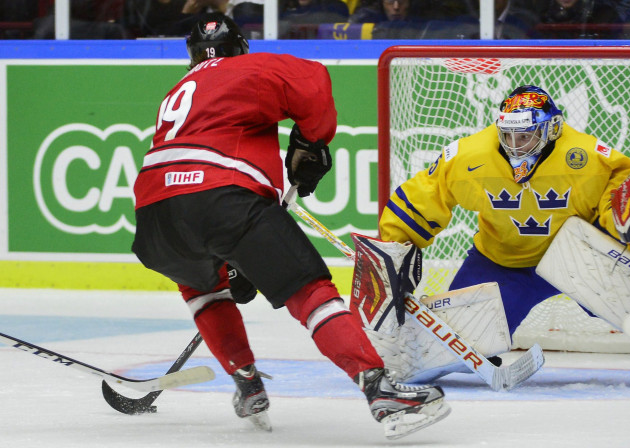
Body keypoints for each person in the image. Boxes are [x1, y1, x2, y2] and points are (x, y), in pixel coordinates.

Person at [131, 12, 449, 438]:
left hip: (154, 214)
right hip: (225, 199)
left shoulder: (177, 91)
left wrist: (234, 259)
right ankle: (380, 389)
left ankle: (247, 385)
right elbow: (313, 80)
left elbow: (193, 184)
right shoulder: (250, 66)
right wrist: (310, 142)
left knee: (203, 289)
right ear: (240, 46)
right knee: (309, 291)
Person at [378, 84, 630, 389]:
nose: (515, 147)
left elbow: (625, 186)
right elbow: (423, 195)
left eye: (526, 137)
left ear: (551, 129)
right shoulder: (468, 157)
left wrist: (623, 219)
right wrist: (393, 251)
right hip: (502, 263)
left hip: (578, 256)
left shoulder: (585, 155)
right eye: (508, 137)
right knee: (444, 349)